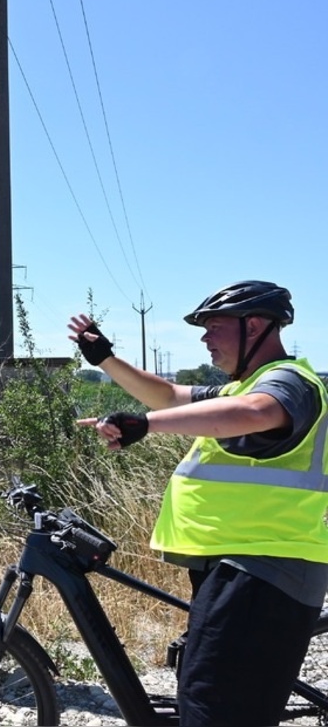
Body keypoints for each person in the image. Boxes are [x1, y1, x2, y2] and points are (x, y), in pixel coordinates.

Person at [69, 280, 328, 726]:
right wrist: (106, 360)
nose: (205, 337)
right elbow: (168, 397)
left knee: (214, 708)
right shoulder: (240, 387)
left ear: (256, 327)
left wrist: (146, 425)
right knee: (206, 696)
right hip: (245, 565)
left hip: (266, 566)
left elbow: (256, 414)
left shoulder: (288, 382)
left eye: (215, 326)